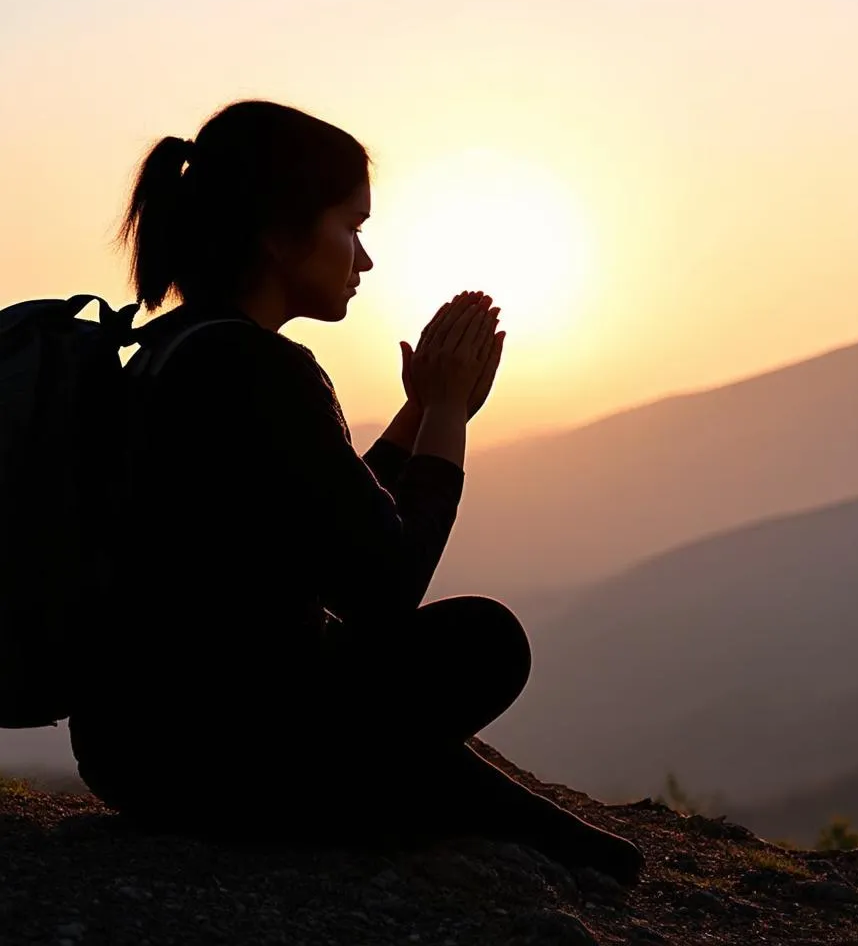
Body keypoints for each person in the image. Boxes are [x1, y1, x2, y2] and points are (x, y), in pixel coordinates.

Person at [68, 99, 645, 885]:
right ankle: (426, 817)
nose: (364, 259)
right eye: (352, 227)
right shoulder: (264, 370)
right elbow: (384, 584)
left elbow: (324, 510)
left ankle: (539, 835)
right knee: (483, 640)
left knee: (389, 712)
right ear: (278, 234)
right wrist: (447, 414)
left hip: (130, 751)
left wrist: (414, 412)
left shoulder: (173, 351)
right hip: (225, 758)